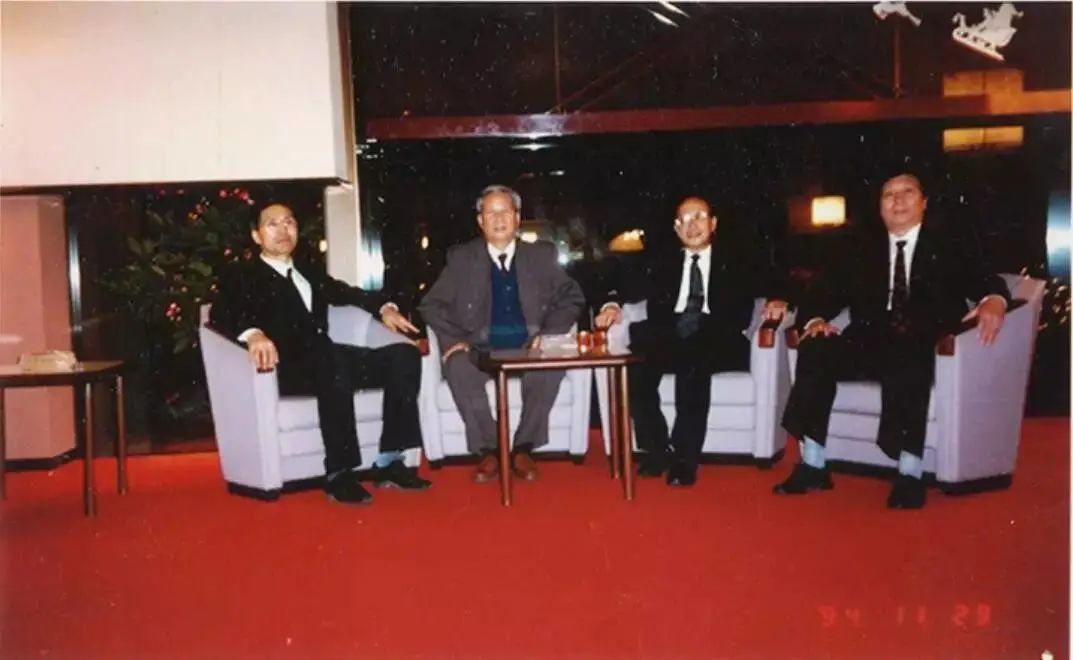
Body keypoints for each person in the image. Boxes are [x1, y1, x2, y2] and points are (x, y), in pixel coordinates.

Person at [774, 170, 1009, 509]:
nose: (897, 200)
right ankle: (813, 463)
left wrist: (994, 300)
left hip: (924, 343)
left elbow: (987, 279)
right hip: (870, 341)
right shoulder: (861, 249)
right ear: (880, 207)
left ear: (924, 203)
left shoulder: (949, 246)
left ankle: (910, 472)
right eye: (889, 195)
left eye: (907, 192)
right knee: (816, 346)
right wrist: (816, 320)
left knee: (908, 354)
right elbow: (822, 292)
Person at [210, 202, 431, 505]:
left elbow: (345, 292)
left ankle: (390, 461)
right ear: (257, 236)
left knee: (403, 356)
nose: (283, 230)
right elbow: (221, 312)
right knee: (332, 360)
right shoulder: (243, 275)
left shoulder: (307, 270)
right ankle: (339, 473)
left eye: (289, 222)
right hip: (283, 367)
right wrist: (253, 334)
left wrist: (383, 308)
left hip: (327, 361)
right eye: (273, 224)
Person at [596, 196, 788, 487]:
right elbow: (625, 284)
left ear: (713, 223)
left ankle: (685, 459)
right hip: (671, 333)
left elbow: (776, 277)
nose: (692, 225)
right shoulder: (662, 261)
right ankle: (657, 449)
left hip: (719, 336)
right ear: (676, 228)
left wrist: (778, 298)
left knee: (693, 360)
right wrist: (612, 304)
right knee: (634, 365)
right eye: (684, 220)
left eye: (699, 217)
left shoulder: (737, 259)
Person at [418, 185, 585, 483]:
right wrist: (454, 340)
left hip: (530, 346)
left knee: (550, 366)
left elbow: (572, 298)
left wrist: (549, 334)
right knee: (457, 366)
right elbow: (431, 305)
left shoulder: (541, 255)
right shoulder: (461, 259)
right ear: (480, 221)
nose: (498, 219)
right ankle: (490, 450)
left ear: (517, 218)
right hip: (479, 349)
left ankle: (523, 448)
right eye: (490, 212)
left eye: (505, 211)